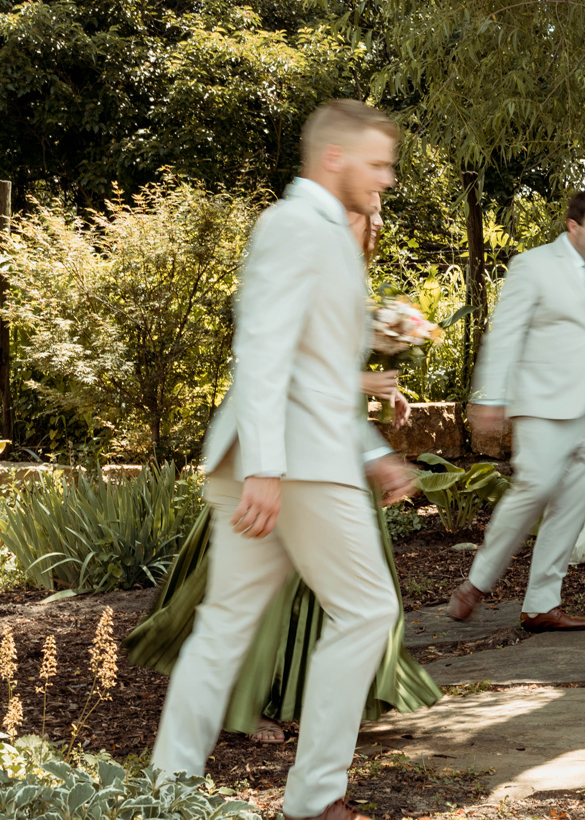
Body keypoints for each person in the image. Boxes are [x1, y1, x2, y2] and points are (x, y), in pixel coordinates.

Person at [153, 99, 419, 820]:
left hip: (295, 457)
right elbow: (264, 349)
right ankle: (315, 798)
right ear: (334, 157)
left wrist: (372, 453)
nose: (387, 178)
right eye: (378, 164)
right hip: (295, 465)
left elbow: (316, 369)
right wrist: (266, 469)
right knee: (367, 610)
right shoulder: (296, 225)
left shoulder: (328, 231)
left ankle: (165, 793)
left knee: (225, 627)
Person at [126, 199, 438, 746]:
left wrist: (379, 388)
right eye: (366, 211)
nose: (376, 223)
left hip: (328, 449)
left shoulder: (349, 279)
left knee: (335, 599)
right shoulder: (302, 251)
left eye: (379, 214)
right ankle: (242, 711)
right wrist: (361, 389)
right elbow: (276, 364)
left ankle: (315, 706)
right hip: (280, 455)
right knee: (265, 600)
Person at [448, 191, 585, 630]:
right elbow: (506, 334)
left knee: (573, 507)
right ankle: (477, 582)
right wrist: (490, 397)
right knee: (533, 489)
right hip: (543, 406)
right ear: (573, 227)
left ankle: (541, 604)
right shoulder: (533, 265)